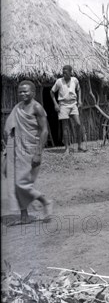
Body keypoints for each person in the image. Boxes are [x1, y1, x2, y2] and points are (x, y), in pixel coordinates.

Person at [4, 81, 53, 224]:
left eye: (26, 91)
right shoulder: (17, 108)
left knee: (22, 183)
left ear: (33, 92)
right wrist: (7, 154)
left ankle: (45, 201)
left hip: (30, 149)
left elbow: (44, 130)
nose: (23, 94)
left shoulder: (37, 107)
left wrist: (38, 152)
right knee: (15, 182)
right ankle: (24, 216)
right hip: (16, 148)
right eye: (20, 92)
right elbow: (10, 128)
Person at [50, 65, 87, 153]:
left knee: (78, 124)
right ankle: (66, 148)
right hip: (63, 105)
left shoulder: (75, 80)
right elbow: (51, 92)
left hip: (73, 104)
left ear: (71, 73)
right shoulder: (59, 81)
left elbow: (79, 89)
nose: (64, 74)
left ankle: (79, 146)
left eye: (66, 73)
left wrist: (80, 100)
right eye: (63, 72)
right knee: (65, 127)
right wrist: (55, 104)